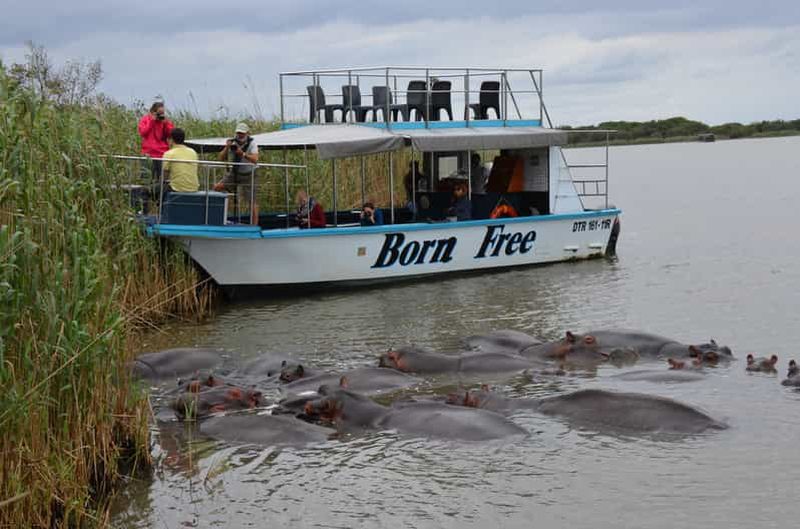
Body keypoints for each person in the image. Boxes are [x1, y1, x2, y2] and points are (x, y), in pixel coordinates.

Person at [213, 122, 259, 223]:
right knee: (217, 188)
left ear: (247, 133)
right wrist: (227, 147)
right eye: (238, 133)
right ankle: (219, 216)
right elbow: (221, 158)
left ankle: (254, 226)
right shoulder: (232, 142)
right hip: (235, 172)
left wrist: (242, 154)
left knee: (252, 200)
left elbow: (255, 159)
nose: (240, 135)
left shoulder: (252, 143)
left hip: (249, 174)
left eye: (242, 133)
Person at [138, 100, 175, 180]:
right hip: (148, 154)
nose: (160, 115)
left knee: (162, 180)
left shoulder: (164, 122)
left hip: (162, 154)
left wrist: (166, 123)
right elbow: (143, 133)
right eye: (159, 113)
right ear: (153, 112)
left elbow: (171, 134)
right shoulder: (146, 119)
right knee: (146, 179)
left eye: (162, 113)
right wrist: (152, 121)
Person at [161, 128, 199, 193]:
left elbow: (164, 176)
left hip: (176, 188)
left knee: (146, 190)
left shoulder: (169, 153)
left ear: (172, 140)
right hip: (194, 188)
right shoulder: (193, 152)